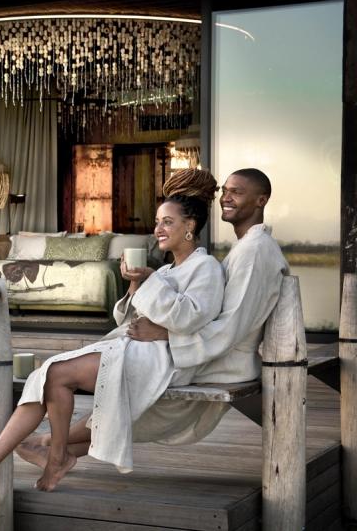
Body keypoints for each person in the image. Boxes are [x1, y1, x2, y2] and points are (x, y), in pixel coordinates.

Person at [0, 168, 226, 494]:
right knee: (47, 374)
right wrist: (136, 284)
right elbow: (129, 318)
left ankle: (48, 457)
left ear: (190, 226)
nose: (158, 229)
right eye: (157, 222)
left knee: (57, 374)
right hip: (133, 347)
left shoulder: (206, 268)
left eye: (168, 222)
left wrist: (150, 284)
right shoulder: (167, 270)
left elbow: (190, 318)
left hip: (161, 359)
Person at [17, 167, 289, 472]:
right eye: (225, 191)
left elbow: (231, 327)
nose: (226, 197)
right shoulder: (244, 248)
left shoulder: (253, 251)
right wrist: (139, 287)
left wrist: (165, 335)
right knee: (125, 384)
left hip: (222, 361)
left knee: (129, 388)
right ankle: (54, 448)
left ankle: (49, 443)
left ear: (261, 200)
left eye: (236, 192)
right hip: (202, 349)